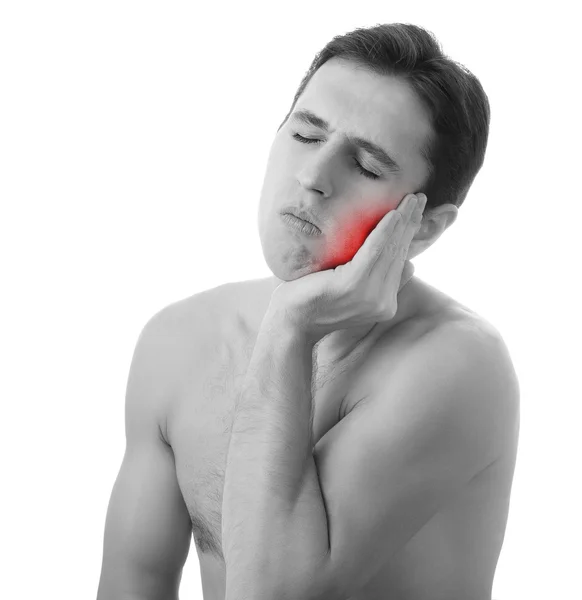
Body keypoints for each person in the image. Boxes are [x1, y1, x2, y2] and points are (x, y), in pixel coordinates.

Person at [97, 22, 520, 600]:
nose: (313, 177)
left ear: (422, 228)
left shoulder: (459, 367)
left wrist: (290, 327)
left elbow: (271, 592)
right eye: (305, 135)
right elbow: (133, 585)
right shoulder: (179, 342)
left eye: (367, 167)